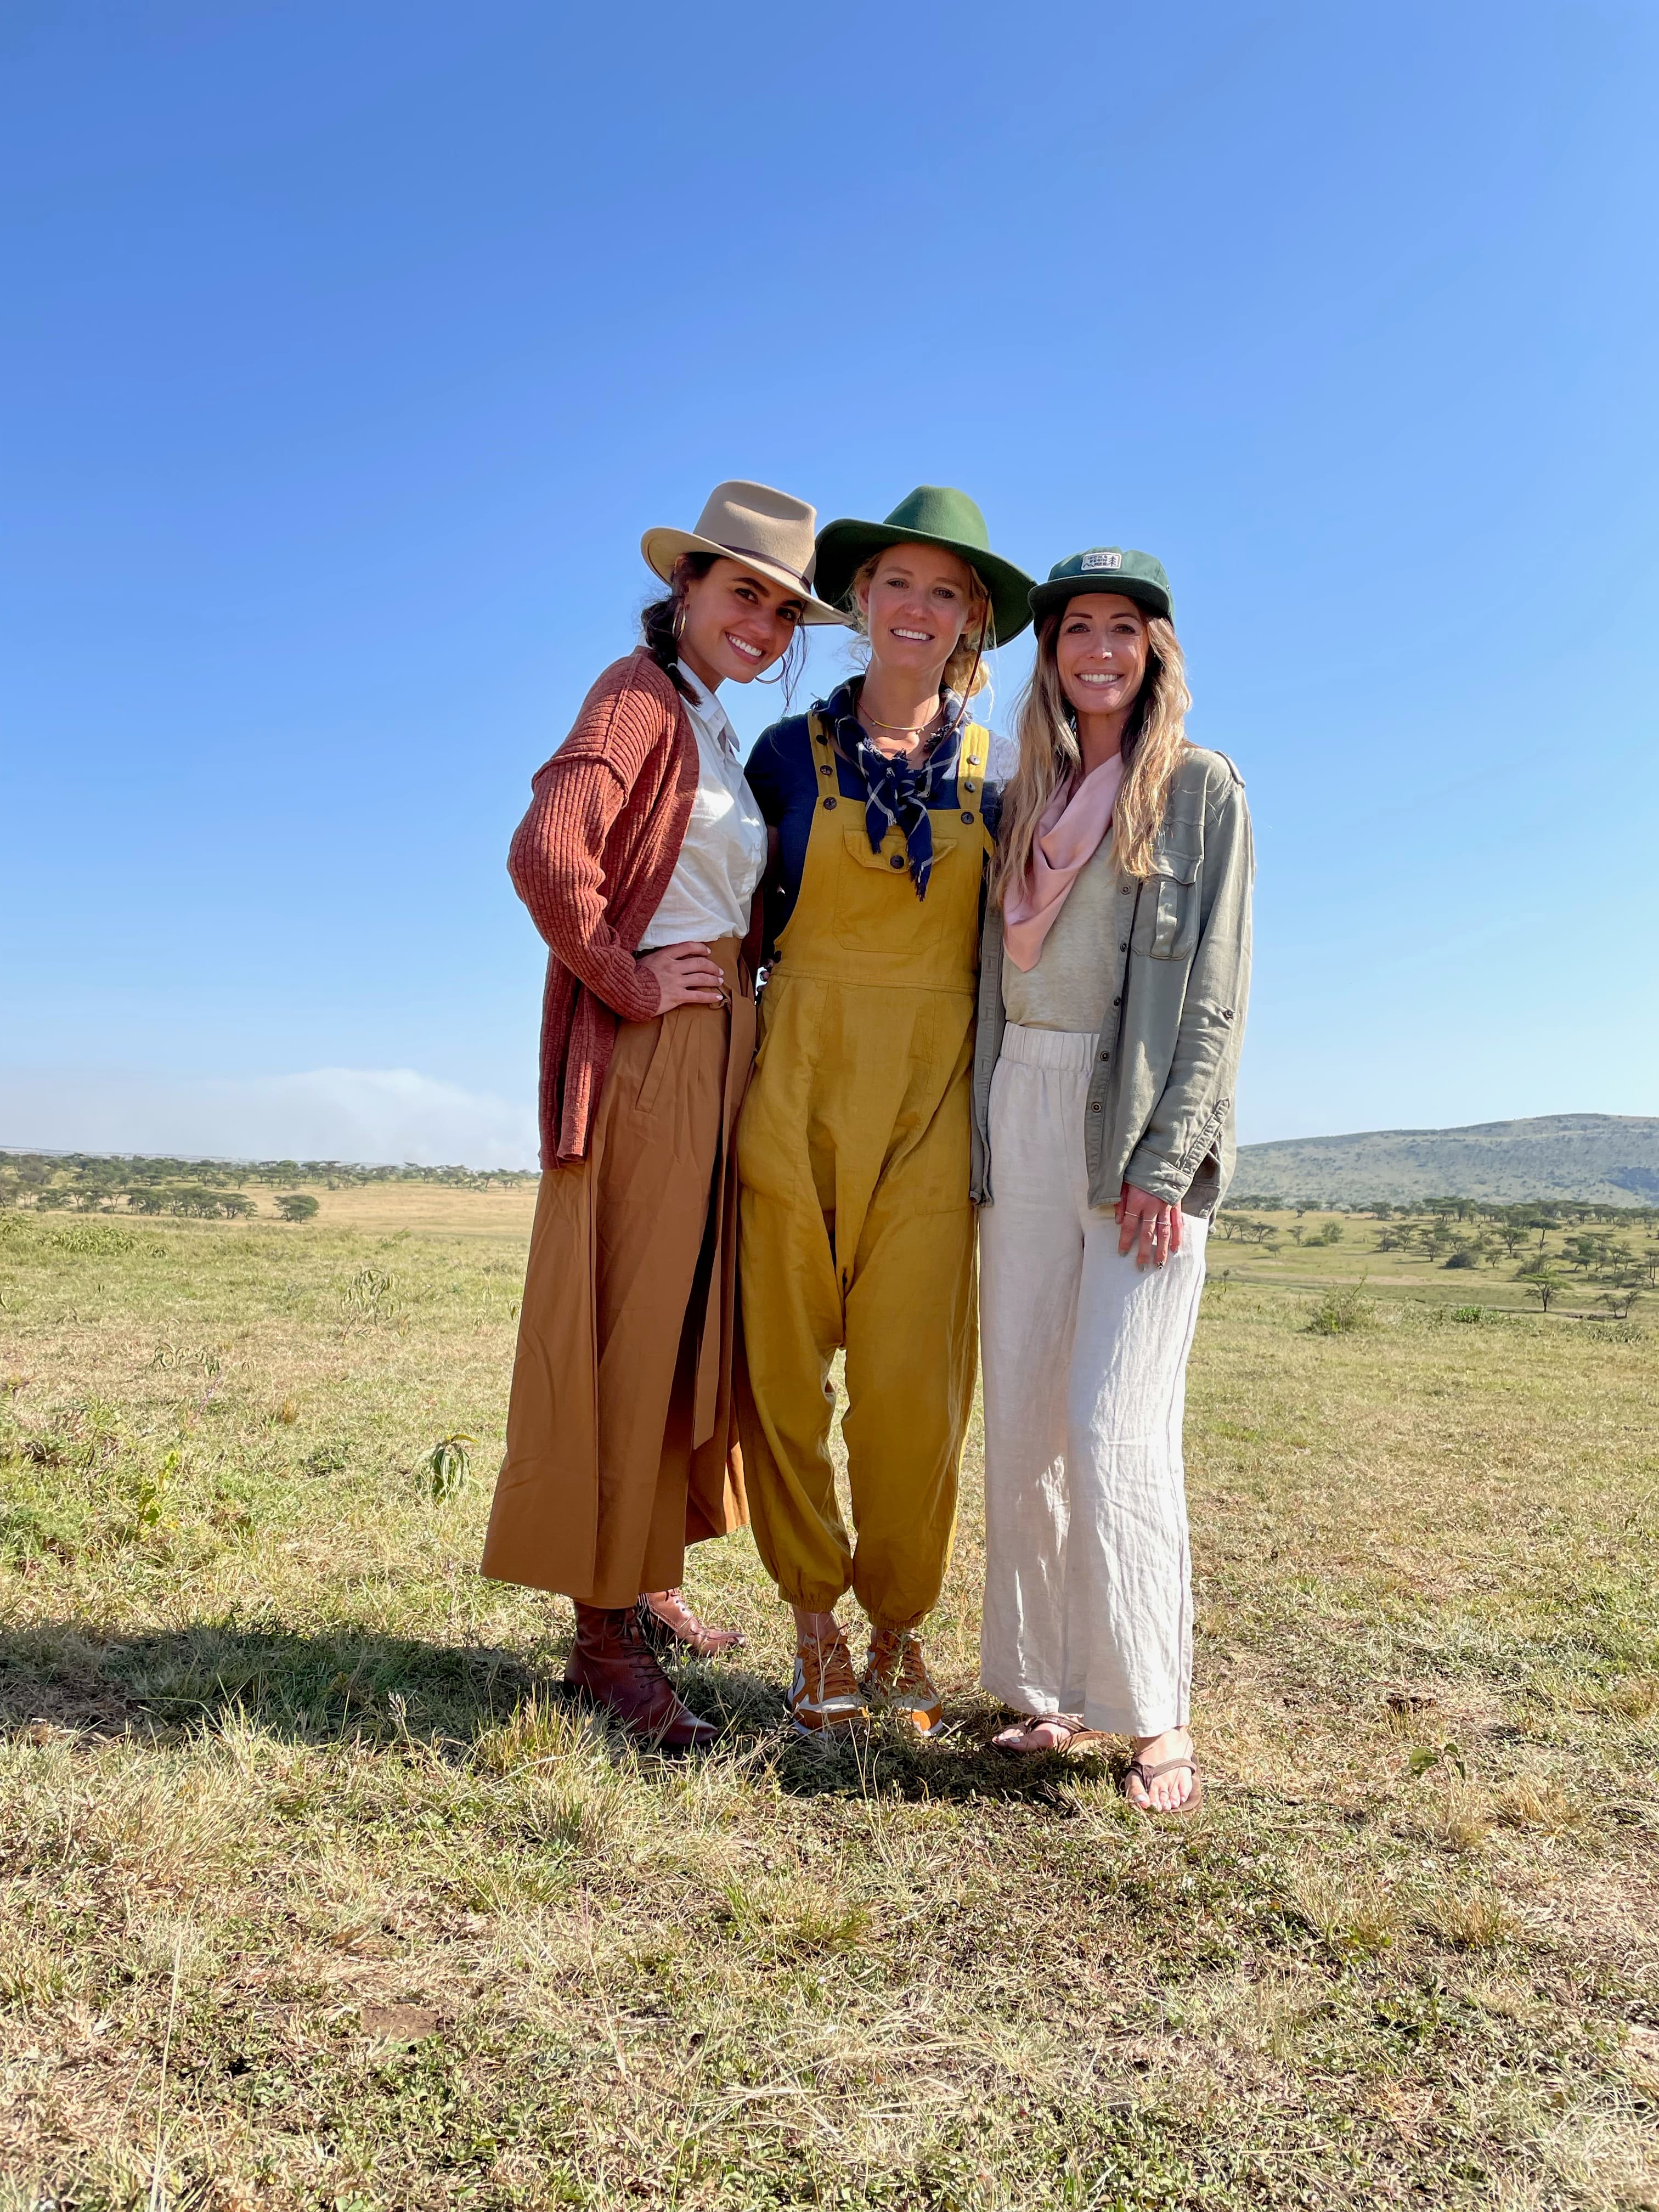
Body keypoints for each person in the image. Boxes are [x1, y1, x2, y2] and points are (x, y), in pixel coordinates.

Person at [481, 481, 843, 1750]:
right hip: (655, 1052)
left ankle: (641, 1578)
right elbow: (549, 851)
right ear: (686, 588)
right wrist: (631, 981)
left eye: (785, 608)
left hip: (722, 1050)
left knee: (690, 1319)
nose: (764, 623)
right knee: (635, 1331)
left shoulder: (711, 719)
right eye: (745, 592)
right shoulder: (634, 697)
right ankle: (599, 1642)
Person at [737, 487, 1034, 1739]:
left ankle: (900, 1628)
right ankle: (812, 1628)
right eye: (898, 585)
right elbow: (730, 915)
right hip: (792, 1082)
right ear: (860, 601)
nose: (919, 609)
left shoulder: (1006, 772)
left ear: (971, 623)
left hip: (935, 1098)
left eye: (946, 594)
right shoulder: (775, 755)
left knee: (918, 1387)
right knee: (784, 1375)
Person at [972, 548, 1253, 1813]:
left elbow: (1215, 1002)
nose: (1097, 647)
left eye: (1123, 628)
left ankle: (1155, 1718)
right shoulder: (1026, 790)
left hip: (1132, 1125)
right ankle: (1048, 1696)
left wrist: (1169, 1157)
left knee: (1112, 1428)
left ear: (1156, 651)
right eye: (1075, 627)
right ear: (1049, 651)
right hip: (1017, 1108)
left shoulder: (1199, 789)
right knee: (1026, 1423)